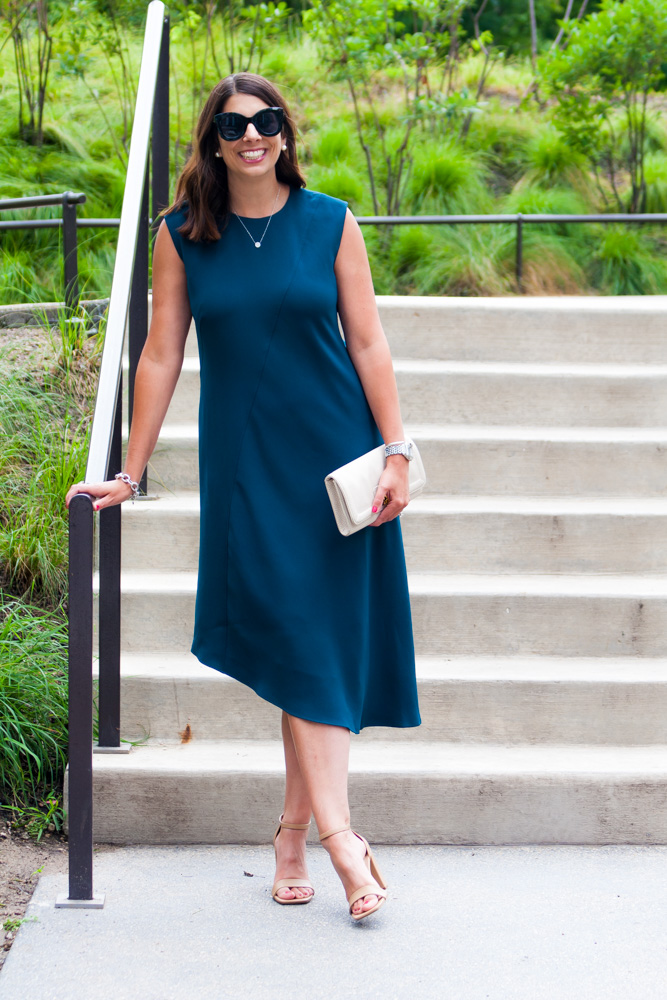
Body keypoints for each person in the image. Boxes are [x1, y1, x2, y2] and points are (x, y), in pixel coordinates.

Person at [66, 71, 421, 922]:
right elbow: (158, 354)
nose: (252, 136)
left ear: (285, 133)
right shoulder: (183, 233)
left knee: (318, 649)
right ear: (212, 140)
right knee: (296, 640)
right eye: (233, 126)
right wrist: (129, 469)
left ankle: (301, 833)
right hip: (246, 471)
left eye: (266, 122)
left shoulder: (330, 221)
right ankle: (343, 844)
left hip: (336, 459)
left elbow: (367, 341)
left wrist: (398, 450)